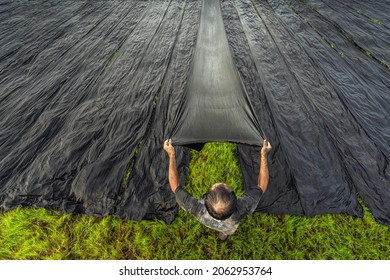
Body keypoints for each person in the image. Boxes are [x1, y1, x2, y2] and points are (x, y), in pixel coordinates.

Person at [163, 139, 272, 241]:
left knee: (221, 229)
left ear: (205, 202)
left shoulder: (197, 209)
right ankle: (223, 236)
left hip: (207, 222)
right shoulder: (242, 208)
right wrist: (263, 155)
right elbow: (262, 186)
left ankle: (221, 235)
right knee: (226, 231)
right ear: (235, 202)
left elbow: (175, 186)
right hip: (230, 226)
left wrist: (171, 155)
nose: (221, 182)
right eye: (224, 185)